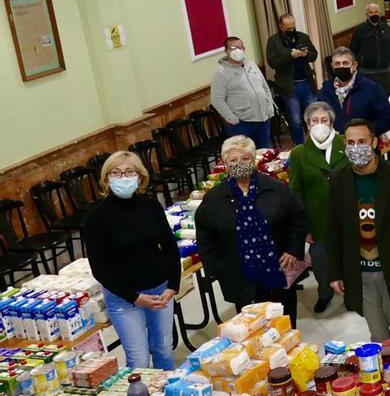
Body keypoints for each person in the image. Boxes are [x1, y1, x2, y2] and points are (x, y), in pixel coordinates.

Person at [326, 119, 390, 341]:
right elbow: (333, 230)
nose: (356, 147)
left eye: (362, 141)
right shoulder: (338, 179)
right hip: (361, 273)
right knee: (379, 336)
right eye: (350, 142)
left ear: (374, 142)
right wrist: (334, 273)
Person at [83, 151, 181, 369]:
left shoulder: (151, 207)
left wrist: (173, 285)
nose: (123, 177)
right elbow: (99, 268)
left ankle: (169, 390)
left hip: (160, 290)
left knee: (164, 349)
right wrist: (135, 298)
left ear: (140, 176)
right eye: (116, 173)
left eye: (129, 172)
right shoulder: (96, 217)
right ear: (106, 178)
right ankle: (141, 393)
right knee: (138, 359)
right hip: (123, 298)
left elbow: (169, 246)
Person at [195, 136, 307, 323]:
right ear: (225, 164)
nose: (240, 164)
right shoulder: (214, 199)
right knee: (251, 327)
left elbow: (298, 217)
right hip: (240, 276)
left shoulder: (276, 189)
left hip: (277, 269)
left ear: (254, 159)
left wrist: (292, 249)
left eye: (245, 158)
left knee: (284, 323)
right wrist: (217, 269)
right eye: (234, 160)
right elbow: (205, 237)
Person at [287, 102, 347, 314]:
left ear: (331, 123)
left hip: (347, 217)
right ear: (307, 125)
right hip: (317, 221)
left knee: (349, 256)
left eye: (324, 120)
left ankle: (350, 292)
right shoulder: (299, 153)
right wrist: (304, 228)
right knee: (321, 260)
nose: (319, 124)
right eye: (315, 121)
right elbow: (295, 192)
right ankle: (325, 293)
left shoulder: (345, 143)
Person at [210, 36, 275, 149]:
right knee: (245, 153)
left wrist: (269, 107)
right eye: (233, 48)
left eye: (240, 47)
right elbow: (216, 100)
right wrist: (233, 119)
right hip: (242, 123)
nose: (238, 51)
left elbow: (265, 88)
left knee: (264, 152)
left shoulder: (251, 65)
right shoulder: (221, 72)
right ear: (226, 51)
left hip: (263, 118)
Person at [265, 14, 319, 146]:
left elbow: (314, 55)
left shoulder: (303, 36)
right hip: (289, 87)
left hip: (307, 83)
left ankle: (318, 141)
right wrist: (290, 56)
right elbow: (272, 62)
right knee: (295, 121)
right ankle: (300, 146)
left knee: (316, 115)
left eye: (293, 26)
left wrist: (306, 54)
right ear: (281, 26)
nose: (291, 29)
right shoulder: (273, 41)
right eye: (288, 27)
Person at [317, 47, 390, 137]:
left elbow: (388, 119)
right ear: (332, 66)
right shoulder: (325, 91)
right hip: (335, 143)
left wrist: (365, 133)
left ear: (354, 65)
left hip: (364, 142)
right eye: (337, 64)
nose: (341, 67)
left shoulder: (372, 89)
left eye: (345, 63)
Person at [348, 3, 390, 92]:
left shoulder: (386, 28)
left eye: (376, 12)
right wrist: (352, 68)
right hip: (366, 72)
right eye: (371, 12)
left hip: (385, 71)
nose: (374, 14)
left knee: (385, 96)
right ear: (367, 14)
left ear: (380, 14)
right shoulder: (360, 29)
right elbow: (352, 50)